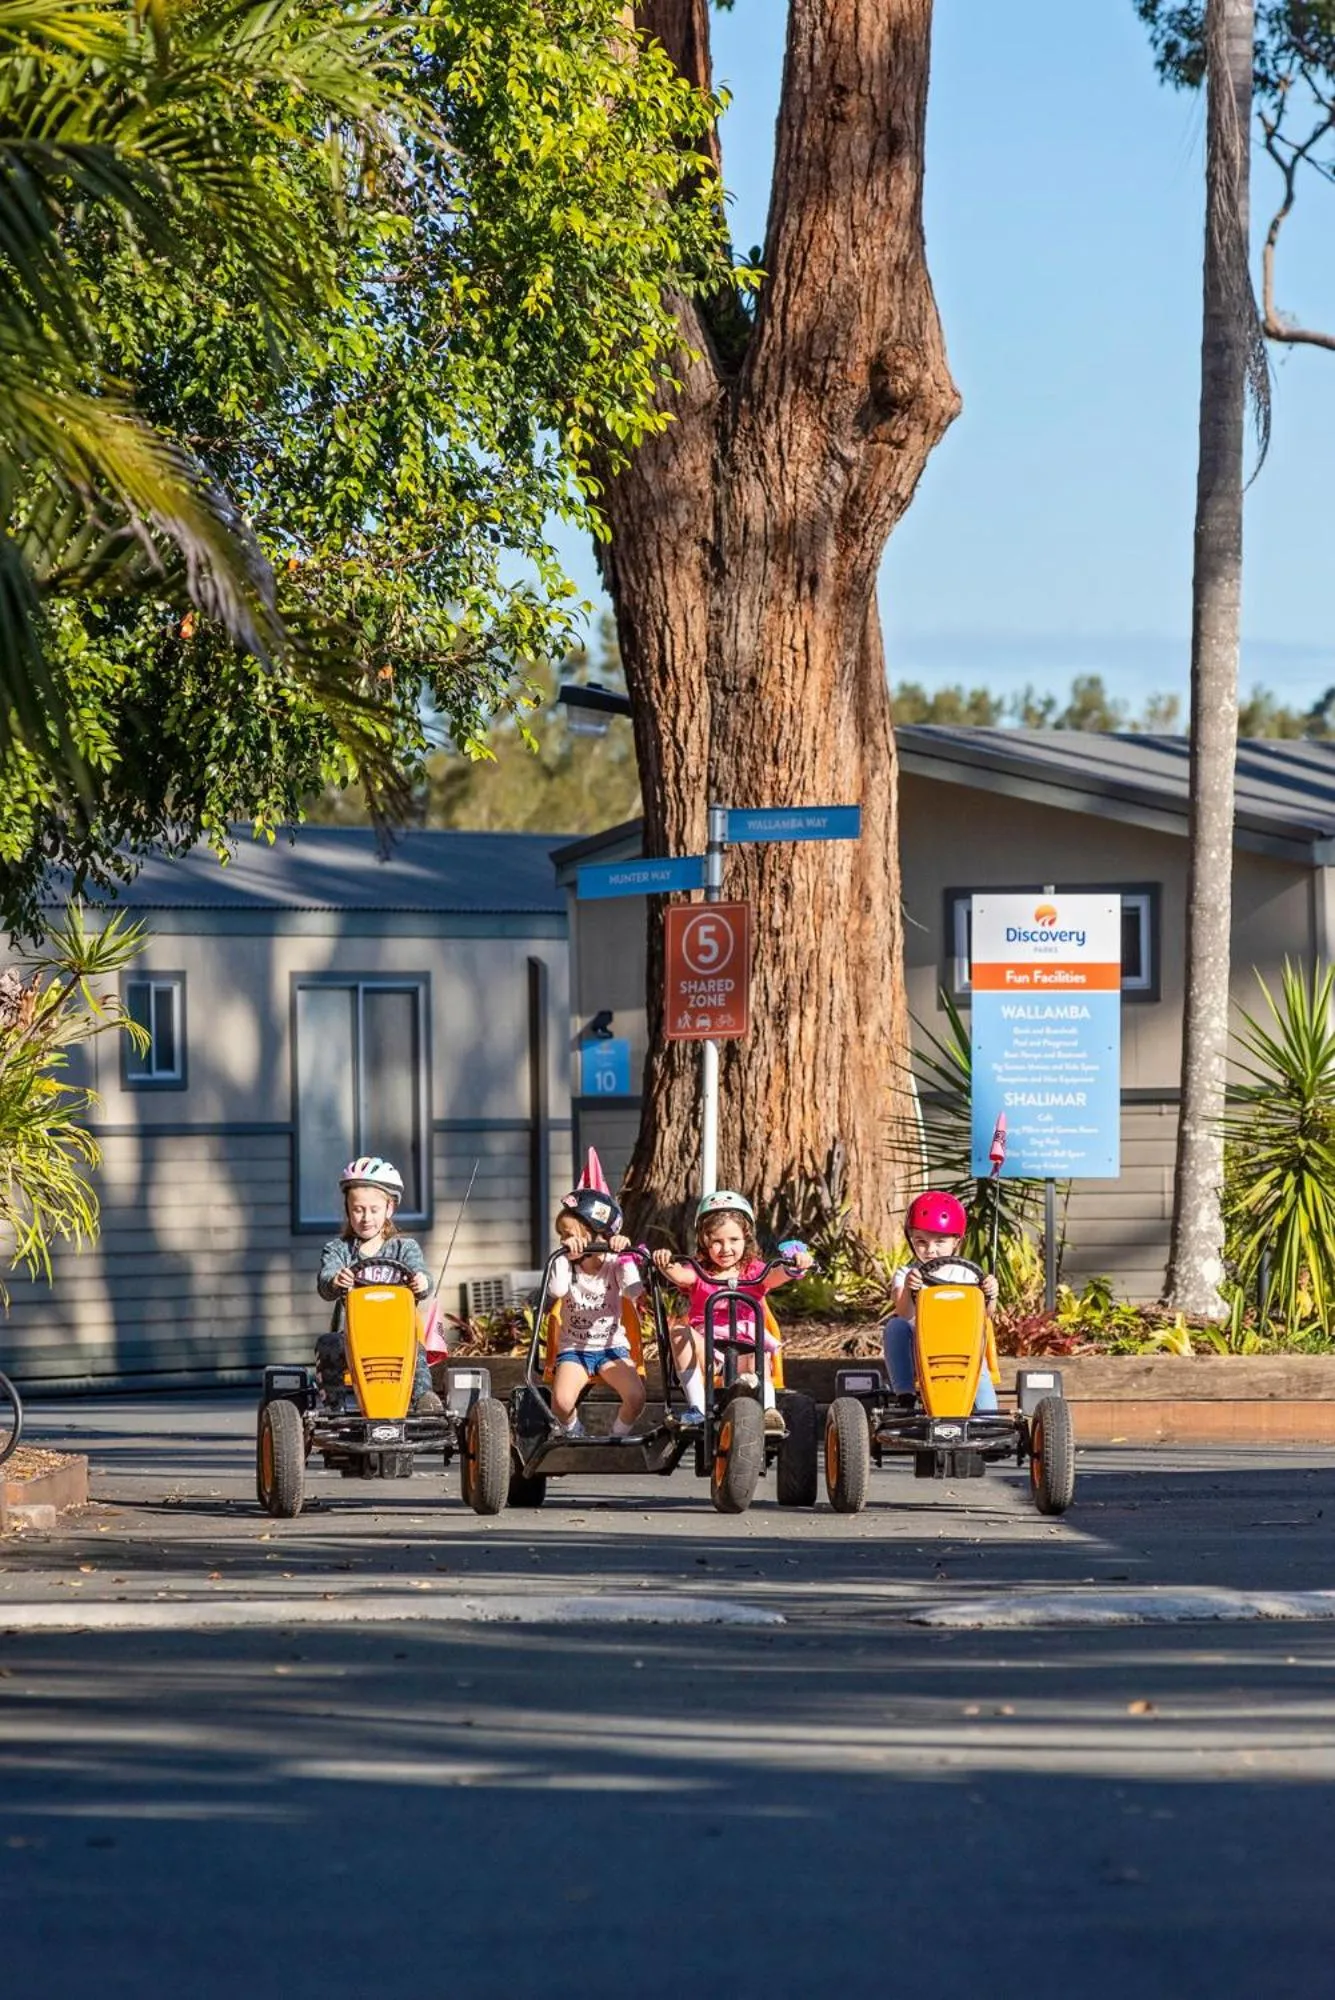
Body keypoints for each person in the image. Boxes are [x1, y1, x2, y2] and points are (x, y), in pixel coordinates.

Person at [652, 1192, 812, 1434]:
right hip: (709, 1352)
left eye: (734, 1240)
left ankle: (769, 1412)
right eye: (716, 1241)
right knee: (678, 1332)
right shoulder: (698, 1269)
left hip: (747, 1349)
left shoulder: (754, 1271)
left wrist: (795, 1266)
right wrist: (664, 1262)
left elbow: (775, 1274)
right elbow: (680, 1275)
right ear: (704, 1240)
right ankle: (697, 1409)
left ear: (745, 1238)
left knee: (758, 1361)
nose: (725, 1248)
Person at [316, 1156, 442, 1414]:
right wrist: (335, 1280)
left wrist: (421, 1282)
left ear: (389, 1209)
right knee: (329, 1344)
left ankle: (423, 1403)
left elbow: (424, 1278)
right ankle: (333, 1407)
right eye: (358, 1209)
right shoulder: (338, 1250)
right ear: (348, 1210)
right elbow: (325, 1282)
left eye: (374, 1209)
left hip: (396, 1335)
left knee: (416, 1351)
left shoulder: (404, 1248)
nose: (366, 1217)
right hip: (352, 1336)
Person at [882, 1190, 999, 1413]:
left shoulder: (969, 1275)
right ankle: (905, 1395)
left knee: (984, 1392)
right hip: (921, 1347)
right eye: (922, 1242)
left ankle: (988, 1420)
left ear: (957, 1241)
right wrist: (909, 1287)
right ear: (911, 1240)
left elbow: (986, 1316)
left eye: (940, 1241)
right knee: (895, 1326)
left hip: (964, 1349)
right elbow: (904, 1312)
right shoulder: (907, 1273)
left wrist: (990, 1294)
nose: (931, 1250)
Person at [547, 1186, 647, 1440]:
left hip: (611, 1347)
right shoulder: (565, 1265)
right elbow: (557, 1290)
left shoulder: (613, 1264)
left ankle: (616, 1438)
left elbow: (634, 1291)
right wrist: (563, 1255)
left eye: (568, 1234)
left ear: (592, 1234)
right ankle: (574, 1432)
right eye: (561, 1235)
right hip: (575, 1348)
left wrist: (625, 1256)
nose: (562, 1240)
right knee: (561, 1402)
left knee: (636, 1398)